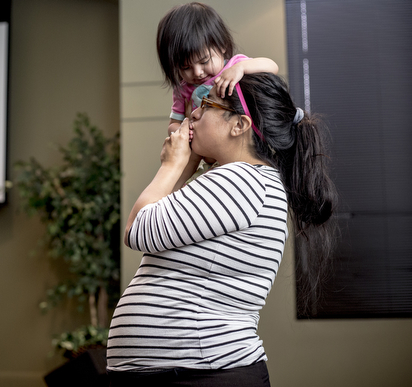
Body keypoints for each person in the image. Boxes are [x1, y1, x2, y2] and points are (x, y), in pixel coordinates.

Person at [106, 72, 338, 387]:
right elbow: (160, 224)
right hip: (193, 371)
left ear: (239, 124)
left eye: (207, 104)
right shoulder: (246, 180)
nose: (194, 112)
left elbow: (138, 229)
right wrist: (186, 166)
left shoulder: (241, 179)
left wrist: (171, 165)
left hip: (201, 373)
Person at [157, 2, 279, 136]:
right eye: (185, 67)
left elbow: (272, 66)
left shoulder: (234, 66)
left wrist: (241, 68)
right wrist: (183, 130)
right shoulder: (183, 90)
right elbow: (173, 124)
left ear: (222, 45)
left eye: (204, 61)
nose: (197, 72)